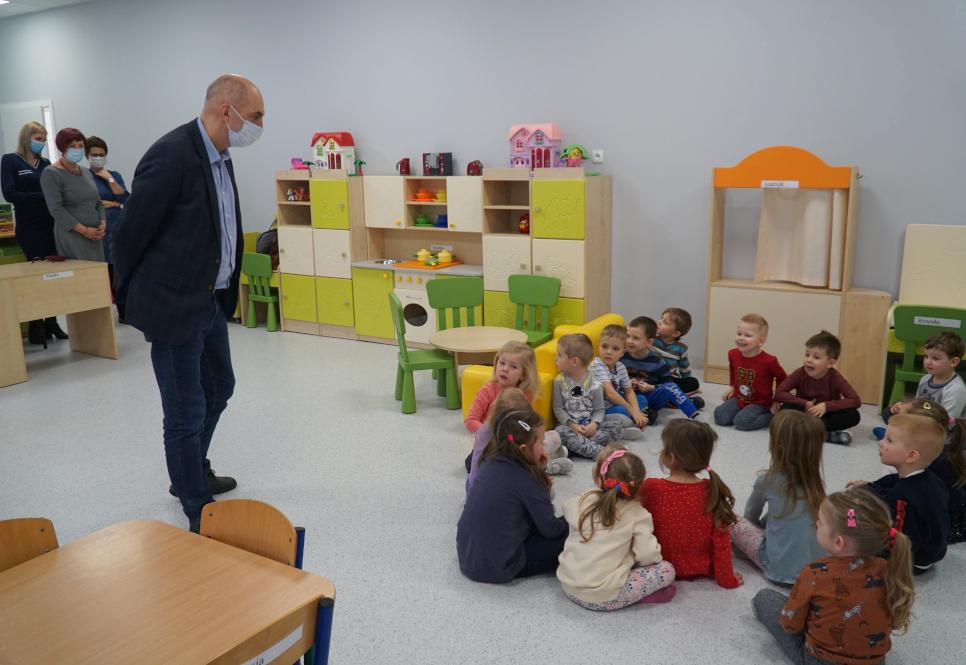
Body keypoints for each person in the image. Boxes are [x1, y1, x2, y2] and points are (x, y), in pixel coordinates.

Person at [112, 74, 265, 532]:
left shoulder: (221, 156)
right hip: (173, 305)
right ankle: (198, 507)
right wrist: (130, 297)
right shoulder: (171, 154)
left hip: (210, 300)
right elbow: (130, 234)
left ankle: (192, 471)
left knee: (219, 387)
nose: (259, 126)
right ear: (226, 111)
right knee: (184, 410)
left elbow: (220, 225)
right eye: (255, 116)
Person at [753, 489, 915, 665]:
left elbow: (790, 625)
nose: (816, 523)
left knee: (764, 598)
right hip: (874, 662)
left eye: (820, 523)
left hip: (818, 660)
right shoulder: (889, 568)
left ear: (838, 542)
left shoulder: (814, 572)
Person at [557, 445, 677, 610]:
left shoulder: (585, 498)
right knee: (667, 570)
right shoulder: (638, 514)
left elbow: (567, 508)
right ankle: (639, 597)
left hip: (568, 585)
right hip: (602, 597)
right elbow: (648, 556)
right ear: (639, 486)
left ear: (600, 479)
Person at [457, 405, 568, 583]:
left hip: (467, 556)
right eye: (541, 442)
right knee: (573, 528)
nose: (544, 447)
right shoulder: (529, 479)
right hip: (499, 566)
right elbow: (551, 529)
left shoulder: (489, 462)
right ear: (523, 449)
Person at [640, 419, 743, 589]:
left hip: (659, 564)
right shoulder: (712, 490)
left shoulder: (651, 487)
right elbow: (721, 542)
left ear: (671, 457)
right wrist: (727, 578)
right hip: (700, 566)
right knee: (736, 521)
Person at [730, 410, 828, 585]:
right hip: (817, 572)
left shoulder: (766, 480)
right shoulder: (815, 483)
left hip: (779, 570)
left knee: (731, 520)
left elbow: (750, 516)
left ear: (778, 446)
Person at [847, 413, 949, 574]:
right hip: (932, 547)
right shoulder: (929, 479)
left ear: (911, 456)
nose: (880, 442)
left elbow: (902, 539)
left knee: (853, 526)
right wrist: (869, 487)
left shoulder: (903, 496)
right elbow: (891, 482)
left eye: (889, 440)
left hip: (913, 559)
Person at [464, 345, 571, 488]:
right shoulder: (487, 391)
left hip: (516, 444)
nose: (505, 369)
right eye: (502, 363)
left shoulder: (525, 395)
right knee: (473, 464)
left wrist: (534, 443)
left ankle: (543, 461)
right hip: (491, 447)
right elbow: (470, 420)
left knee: (554, 436)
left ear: (523, 374)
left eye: (513, 366)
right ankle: (546, 467)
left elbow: (526, 426)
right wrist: (493, 434)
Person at [0, 121, 67, 344]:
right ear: (26, 138)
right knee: (35, 275)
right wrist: (41, 196)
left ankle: (52, 321)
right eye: (38, 139)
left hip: (49, 224)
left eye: (44, 139)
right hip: (28, 226)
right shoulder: (10, 160)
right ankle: (37, 323)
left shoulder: (45, 163)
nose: (42, 143)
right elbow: (10, 194)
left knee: (52, 275)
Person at [874, 331, 965, 439]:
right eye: (926, 356)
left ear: (953, 362)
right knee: (888, 412)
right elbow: (917, 404)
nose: (928, 362)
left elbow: (947, 423)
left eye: (935, 358)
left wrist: (917, 420)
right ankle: (901, 436)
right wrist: (904, 406)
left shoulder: (956, 389)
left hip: (942, 430)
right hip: (923, 419)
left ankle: (897, 437)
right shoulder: (925, 379)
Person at [776, 331, 861, 444]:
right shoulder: (800, 373)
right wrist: (804, 403)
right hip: (803, 412)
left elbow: (855, 400)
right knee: (785, 409)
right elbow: (779, 392)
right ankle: (823, 434)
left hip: (824, 415)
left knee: (853, 415)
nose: (809, 360)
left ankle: (806, 431)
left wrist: (826, 406)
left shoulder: (835, 377)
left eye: (816, 357)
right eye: (807, 355)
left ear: (830, 363)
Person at [899, 399, 966, 543]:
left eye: (899, 421)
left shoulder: (935, 462)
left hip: (950, 523)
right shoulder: (927, 452)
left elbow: (931, 507)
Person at [552, 333, 623, 459]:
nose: (555, 358)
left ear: (574, 361)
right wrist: (573, 426)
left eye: (559, 355)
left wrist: (594, 424)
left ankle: (576, 449)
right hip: (569, 428)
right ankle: (601, 452)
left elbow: (599, 410)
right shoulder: (559, 381)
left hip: (590, 428)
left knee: (616, 425)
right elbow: (559, 409)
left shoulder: (596, 383)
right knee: (559, 432)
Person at [39, 127, 105, 262]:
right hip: (73, 235)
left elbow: (98, 202)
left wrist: (103, 222)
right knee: (80, 272)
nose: (77, 149)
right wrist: (84, 230)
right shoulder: (51, 173)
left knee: (98, 271)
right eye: (72, 146)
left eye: (81, 146)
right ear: (62, 148)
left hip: (95, 234)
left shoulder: (86, 172)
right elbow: (56, 209)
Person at [621, 316, 703, 423]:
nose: (629, 341)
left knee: (672, 387)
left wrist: (651, 387)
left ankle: (694, 415)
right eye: (628, 336)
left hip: (650, 395)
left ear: (649, 342)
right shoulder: (621, 356)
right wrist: (626, 384)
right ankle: (647, 413)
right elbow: (612, 378)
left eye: (635, 338)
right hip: (628, 397)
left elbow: (667, 382)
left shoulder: (657, 361)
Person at [714, 313, 787, 431]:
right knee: (720, 417)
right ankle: (742, 411)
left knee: (741, 422)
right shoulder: (732, 354)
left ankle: (772, 417)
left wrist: (777, 400)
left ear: (761, 341)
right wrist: (733, 387)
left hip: (760, 402)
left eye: (747, 335)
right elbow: (732, 369)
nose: (741, 338)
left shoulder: (769, 361)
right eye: (739, 334)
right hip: (739, 397)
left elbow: (783, 378)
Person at [85, 136, 129, 297]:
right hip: (97, 227)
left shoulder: (114, 175)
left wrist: (109, 179)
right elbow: (89, 202)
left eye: (101, 154)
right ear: (87, 156)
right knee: (103, 269)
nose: (98, 158)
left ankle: (122, 304)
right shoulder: (83, 176)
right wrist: (113, 202)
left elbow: (125, 199)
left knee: (120, 268)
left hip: (117, 226)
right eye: (94, 155)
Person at [589, 324, 648, 440]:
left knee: (641, 399)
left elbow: (629, 391)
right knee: (622, 411)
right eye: (604, 346)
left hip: (614, 403)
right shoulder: (597, 365)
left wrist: (636, 410)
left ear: (622, 352)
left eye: (615, 349)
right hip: (598, 409)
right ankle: (624, 427)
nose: (609, 352)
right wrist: (632, 410)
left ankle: (633, 420)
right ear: (598, 347)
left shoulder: (620, 367)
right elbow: (610, 393)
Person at [653, 307, 700, 394]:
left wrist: (687, 380)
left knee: (693, 382)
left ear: (675, 333)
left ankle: (670, 392)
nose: (659, 322)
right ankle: (671, 393)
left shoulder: (681, 346)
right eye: (661, 318)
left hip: (669, 379)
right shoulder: (652, 337)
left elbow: (684, 367)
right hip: (651, 375)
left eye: (665, 322)